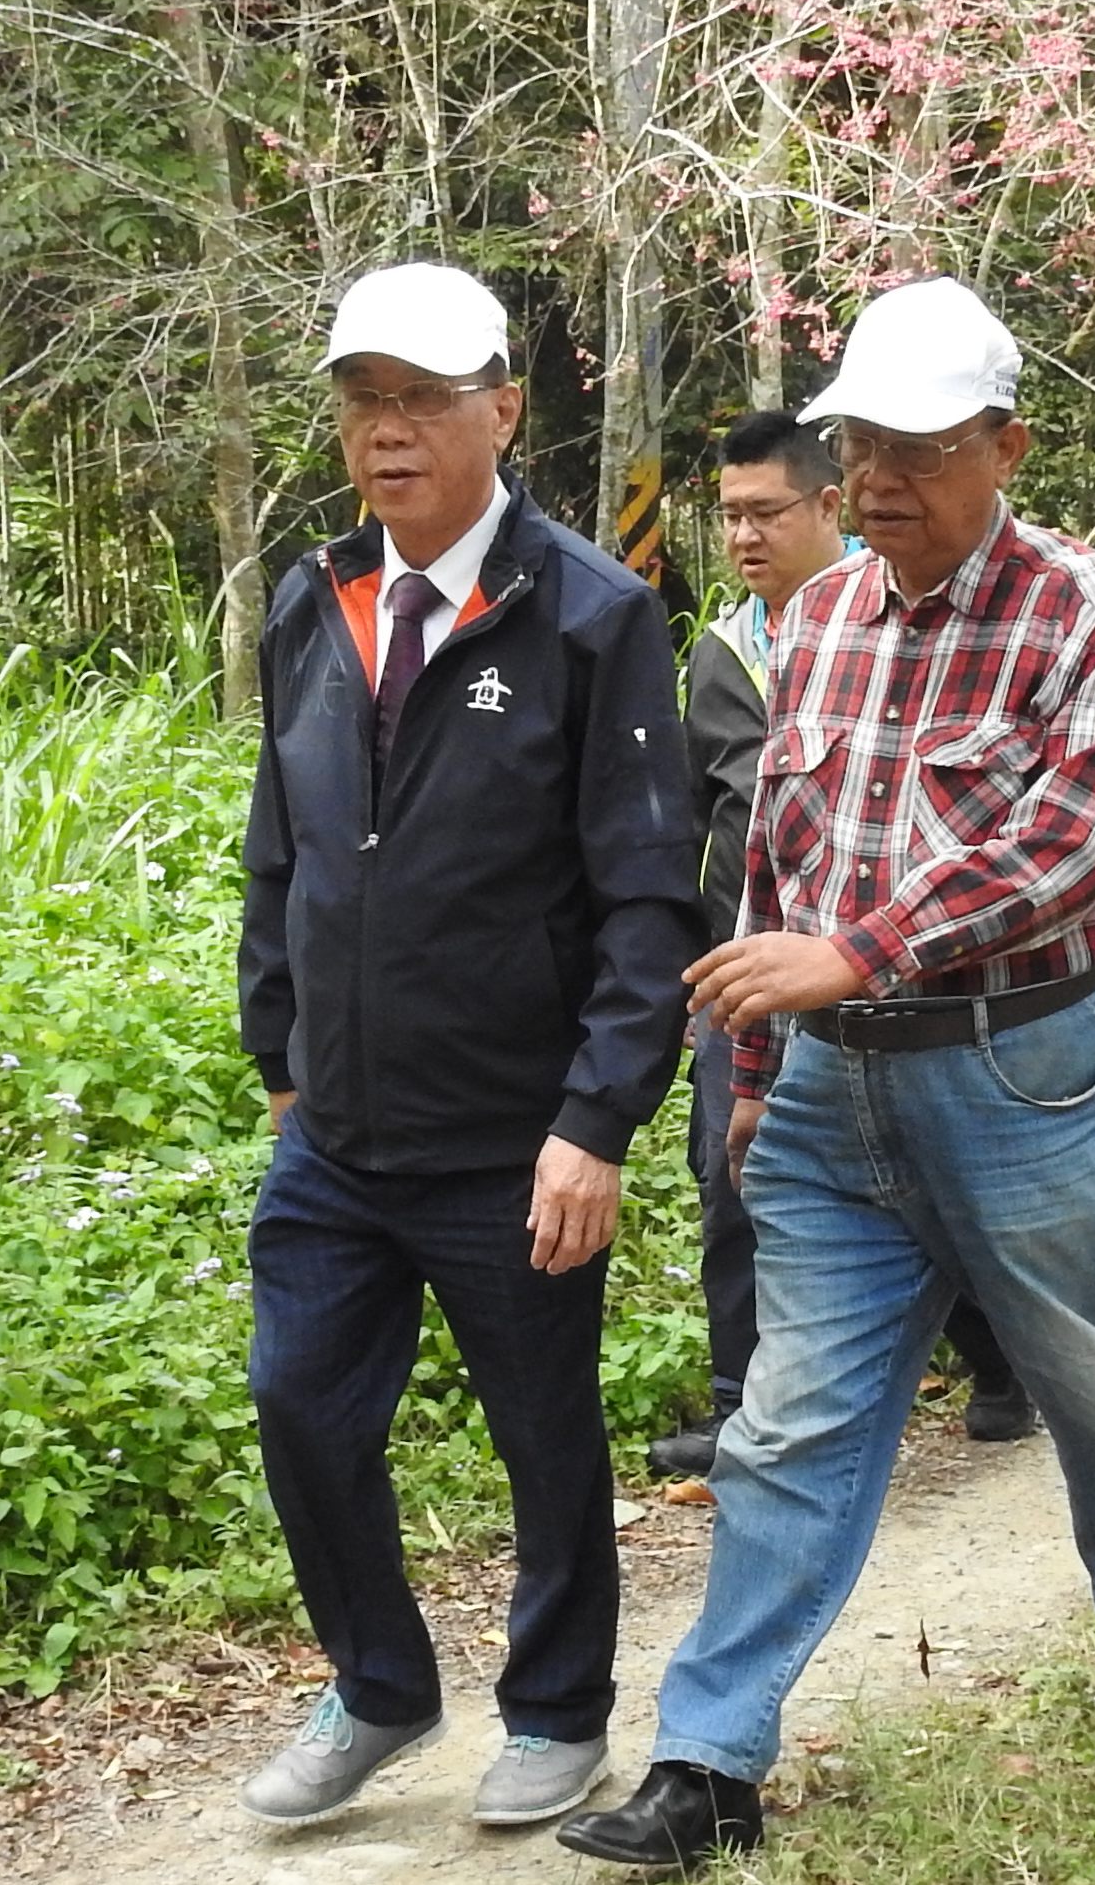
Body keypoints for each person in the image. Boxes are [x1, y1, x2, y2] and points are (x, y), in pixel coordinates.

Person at [559, 278, 1095, 1877]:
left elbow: (1065, 849)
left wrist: (855, 952)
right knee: (786, 1419)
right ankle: (706, 1758)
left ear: (1002, 445)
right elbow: (775, 854)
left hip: (1027, 1074)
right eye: (858, 440)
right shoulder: (814, 618)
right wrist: (748, 1053)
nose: (876, 476)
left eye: (919, 446)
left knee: (1093, 1378)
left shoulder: (1093, 609)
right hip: (822, 1092)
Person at [236, 261, 705, 1832]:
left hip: (515, 1134)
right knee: (300, 1403)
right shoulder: (313, 596)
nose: (388, 432)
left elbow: (649, 892)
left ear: (502, 407)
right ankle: (377, 1682)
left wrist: (595, 1117)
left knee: (541, 1429)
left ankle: (558, 1706)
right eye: (364, 400)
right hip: (338, 1130)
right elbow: (278, 845)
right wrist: (276, 1040)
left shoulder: (590, 612)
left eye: (424, 399)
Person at [654, 414, 1032, 1480]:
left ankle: (1006, 1362)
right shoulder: (725, 655)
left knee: (934, 1198)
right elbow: (720, 826)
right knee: (734, 1181)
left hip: (916, 981)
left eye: (764, 511)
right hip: (754, 978)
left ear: (831, 503)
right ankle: (748, 1410)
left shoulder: (928, 614)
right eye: (727, 516)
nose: (742, 536)